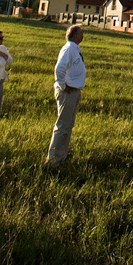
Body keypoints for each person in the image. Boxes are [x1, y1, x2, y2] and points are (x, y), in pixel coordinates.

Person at [46, 25, 86, 169]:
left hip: (74, 91)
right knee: (62, 126)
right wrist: (63, 86)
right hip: (68, 92)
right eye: (81, 33)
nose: (82, 35)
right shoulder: (68, 49)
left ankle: (61, 157)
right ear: (74, 35)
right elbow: (59, 69)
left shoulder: (75, 49)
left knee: (68, 125)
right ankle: (53, 161)